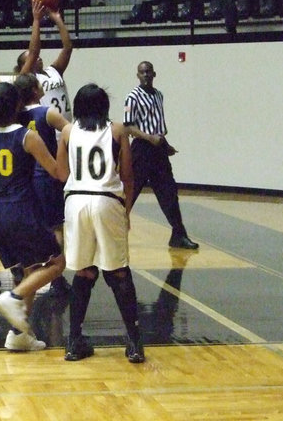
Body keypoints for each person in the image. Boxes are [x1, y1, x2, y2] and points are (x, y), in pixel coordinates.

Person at [0, 81, 66, 351]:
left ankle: (18, 334)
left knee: (28, 270)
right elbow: (56, 172)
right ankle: (14, 297)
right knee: (57, 263)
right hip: (19, 209)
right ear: (17, 106)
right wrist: (64, 148)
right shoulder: (26, 135)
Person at [56, 83, 145, 363]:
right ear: (105, 106)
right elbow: (128, 177)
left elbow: (61, 173)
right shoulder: (118, 131)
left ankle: (73, 342)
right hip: (107, 200)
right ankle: (134, 343)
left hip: (76, 202)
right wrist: (126, 211)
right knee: (118, 272)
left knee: (84, 272)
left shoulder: (68, 131)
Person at [124, 61, 198, 250]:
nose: (146, 75)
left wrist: (166, 145)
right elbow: (128, 126)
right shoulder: (132, 97)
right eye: (142, 72)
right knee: (129, 193)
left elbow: (158, 127)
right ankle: (114, 232)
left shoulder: (159, 95)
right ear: (137, 75)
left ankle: (178, 234)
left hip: (158, 150)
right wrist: (149, 137)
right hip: (141, 149)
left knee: (169, 192)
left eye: (149, 72)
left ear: (154, 74)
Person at [14, 72, 71, 297]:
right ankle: (56, 277)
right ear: (36, 91)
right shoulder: (46, 112)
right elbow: (70, 132)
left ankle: (28, 269)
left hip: (24, 178)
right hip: (46, 176)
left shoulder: (15, 115)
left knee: (31, 226)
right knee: (56, 226)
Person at [17, 0, 73, 123]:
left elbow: (67, 48)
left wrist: (57, 19)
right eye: (31, 59)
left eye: (38, 57)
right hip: (48, 128)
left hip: (66, 127)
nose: (38, 58)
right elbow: (34, 52)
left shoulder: (53, 70)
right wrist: (36, 20)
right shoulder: (26, 77)